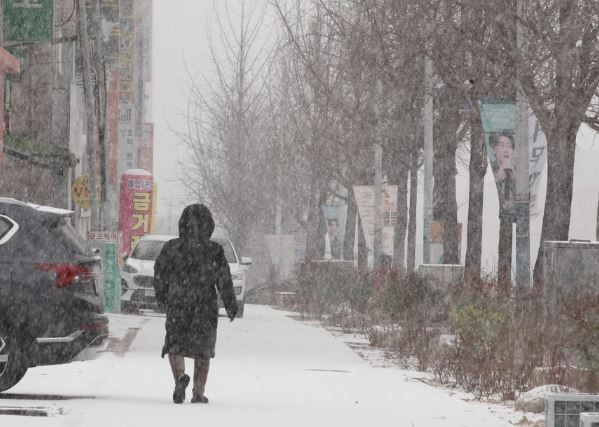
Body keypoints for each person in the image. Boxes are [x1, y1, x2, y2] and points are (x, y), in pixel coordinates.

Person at [153, 204, 238, 404]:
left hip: (178, 302)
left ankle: (180, 377)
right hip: (205, 304)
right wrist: (231, 305)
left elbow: (159, 273)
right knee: (203, 348)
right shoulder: (214, 251)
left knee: (175, 343)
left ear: (182, 224)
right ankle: (198, 393)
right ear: (210, 225)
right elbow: (224, 279)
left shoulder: (172, 248)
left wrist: (163, 296)